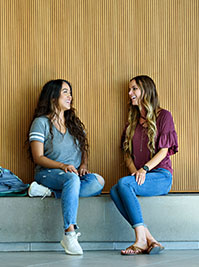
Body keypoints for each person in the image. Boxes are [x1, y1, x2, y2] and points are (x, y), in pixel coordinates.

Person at [27, 79, 105, 255]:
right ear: (53, 97)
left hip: (74, 175)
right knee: (71, 179)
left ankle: (50, 193)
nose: (70, 96)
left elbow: (84, 148)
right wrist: (63, 166)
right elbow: (38, 157)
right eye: (65, 92)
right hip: (48, 173)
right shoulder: (41, 123)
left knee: (98, 181)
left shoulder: (74, 123)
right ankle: (69, 234)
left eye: (70, 92)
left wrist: (84, 164)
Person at [110, 75, 178, 255]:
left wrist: (144, 169)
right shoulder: (131, 122)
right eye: (129, 89)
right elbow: (126, 154)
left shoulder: (164, 116)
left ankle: (140, 240)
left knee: (122, 184)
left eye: (134, 89)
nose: (129, 93)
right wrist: (134, 173)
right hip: (141, 175)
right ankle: (149, 238)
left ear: (145, 91)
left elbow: (164, 150)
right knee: (115, 189)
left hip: (161, 176)